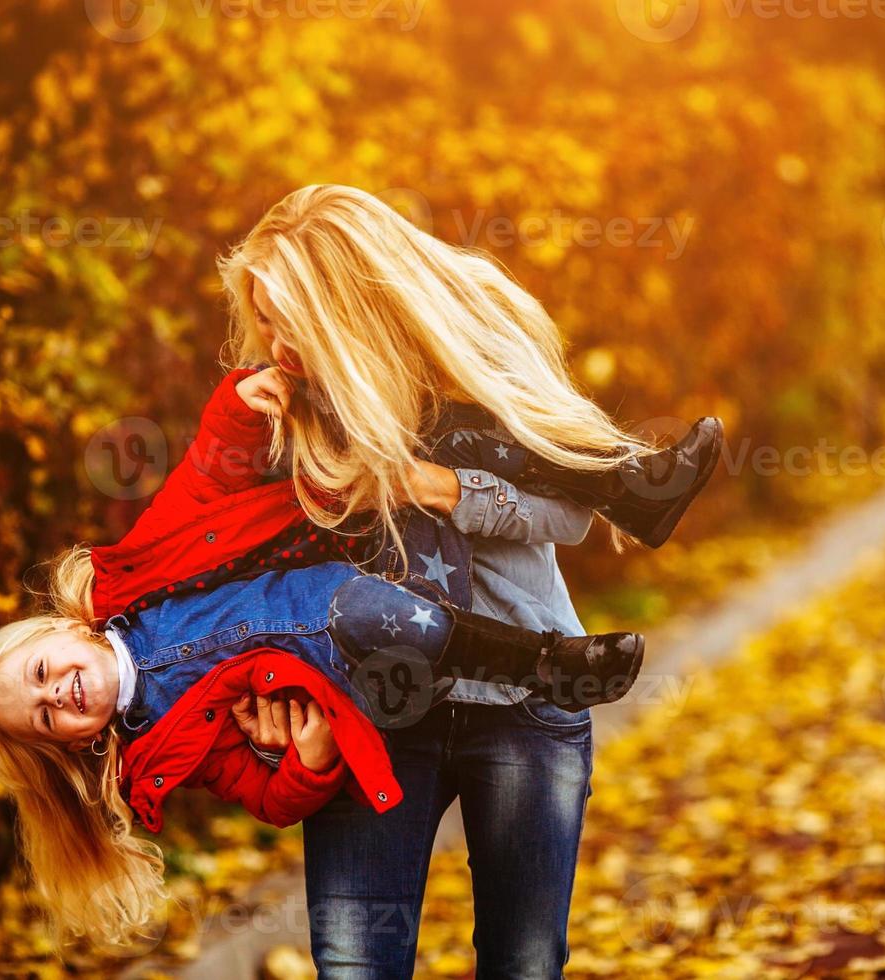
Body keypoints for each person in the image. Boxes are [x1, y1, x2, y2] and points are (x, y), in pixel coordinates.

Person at [0, 357, 716, 947]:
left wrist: (235, 409)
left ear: (64, 634)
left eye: (39, 674)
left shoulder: (137, 572)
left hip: (388, 551)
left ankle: (628, 484)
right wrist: (309, 762)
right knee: (353, 609)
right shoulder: (163, 755)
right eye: (44, 719)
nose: (56, 694)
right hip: (369, 650)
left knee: (444, 439)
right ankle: (549, 666)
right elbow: (266, 798)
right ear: (78, 741)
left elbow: (205, 478)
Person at [214, 184, 722, 978]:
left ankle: (639, 484)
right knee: (354, 967)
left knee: (523, 964)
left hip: (523, 708)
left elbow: (569, 517)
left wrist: (435, 487)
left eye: (292, 321)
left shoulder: (480, 336)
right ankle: (644, 484)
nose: (274, 343)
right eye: (266, 319)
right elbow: (259, 568)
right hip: (376, 712)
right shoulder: (281, 400)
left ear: (347, 305)